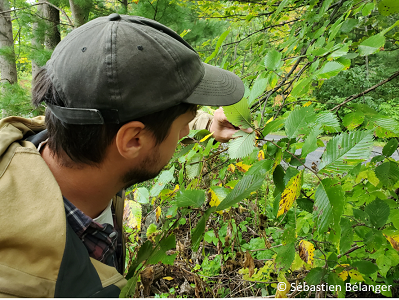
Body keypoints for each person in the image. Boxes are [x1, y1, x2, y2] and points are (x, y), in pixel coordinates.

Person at [0, 14, 247, 297]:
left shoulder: (66, 138)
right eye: (182, 126)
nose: (182, 135)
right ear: (133, 141)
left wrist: (203, 123)